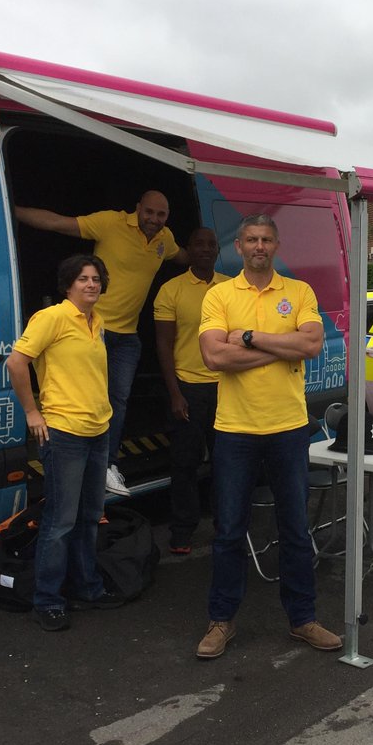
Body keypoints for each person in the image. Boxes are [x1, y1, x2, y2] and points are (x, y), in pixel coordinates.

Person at [193, 214, 341, 659]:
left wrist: (252, 339)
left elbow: (312, 345)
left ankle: (303, 619)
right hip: (235, 430)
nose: (259, 246)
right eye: (251, 239)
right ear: (237, 246)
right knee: (228, 532)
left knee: (295, 529)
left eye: (267, 240)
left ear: (277, 246)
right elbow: (214, 357)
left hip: (288, 428)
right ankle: (221, 621)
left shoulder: (299, 292)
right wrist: (281, 348)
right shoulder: (218, 295)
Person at [14, 191, 187, 498]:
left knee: (117, 402)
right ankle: (79, 465)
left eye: (161, 215)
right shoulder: (110, 223)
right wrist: (8, 207)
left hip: (128, 338)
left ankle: (107, 465)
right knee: (87, 400)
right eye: (149, 212)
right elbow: (57, 223)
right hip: (94, 330)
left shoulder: (165, 239)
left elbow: (186, 257)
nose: (154, 219)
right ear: (138, 209)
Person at [6, 255, 125, 632]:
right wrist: (32, 412)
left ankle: (88, 587)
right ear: (68, 284)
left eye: (96, 279)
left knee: (90, 517)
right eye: (83, 279)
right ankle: (48, 600)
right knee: (60, 521)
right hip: (65, 433)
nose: (91, 284)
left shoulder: (97, 320)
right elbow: (16, 362)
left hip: (97, 428)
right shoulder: (52, 317)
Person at [153, 226, 228, 555]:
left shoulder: (231, 287)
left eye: (212, 244)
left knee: (226, 464)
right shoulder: (171, 290)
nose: (206, 249)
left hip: (227, 389)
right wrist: (174, 393)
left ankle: (225, 528)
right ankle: (183, 531)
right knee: (184, 464)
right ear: (189, 249)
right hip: (188, 389)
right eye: (199, 244)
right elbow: (164, 344)